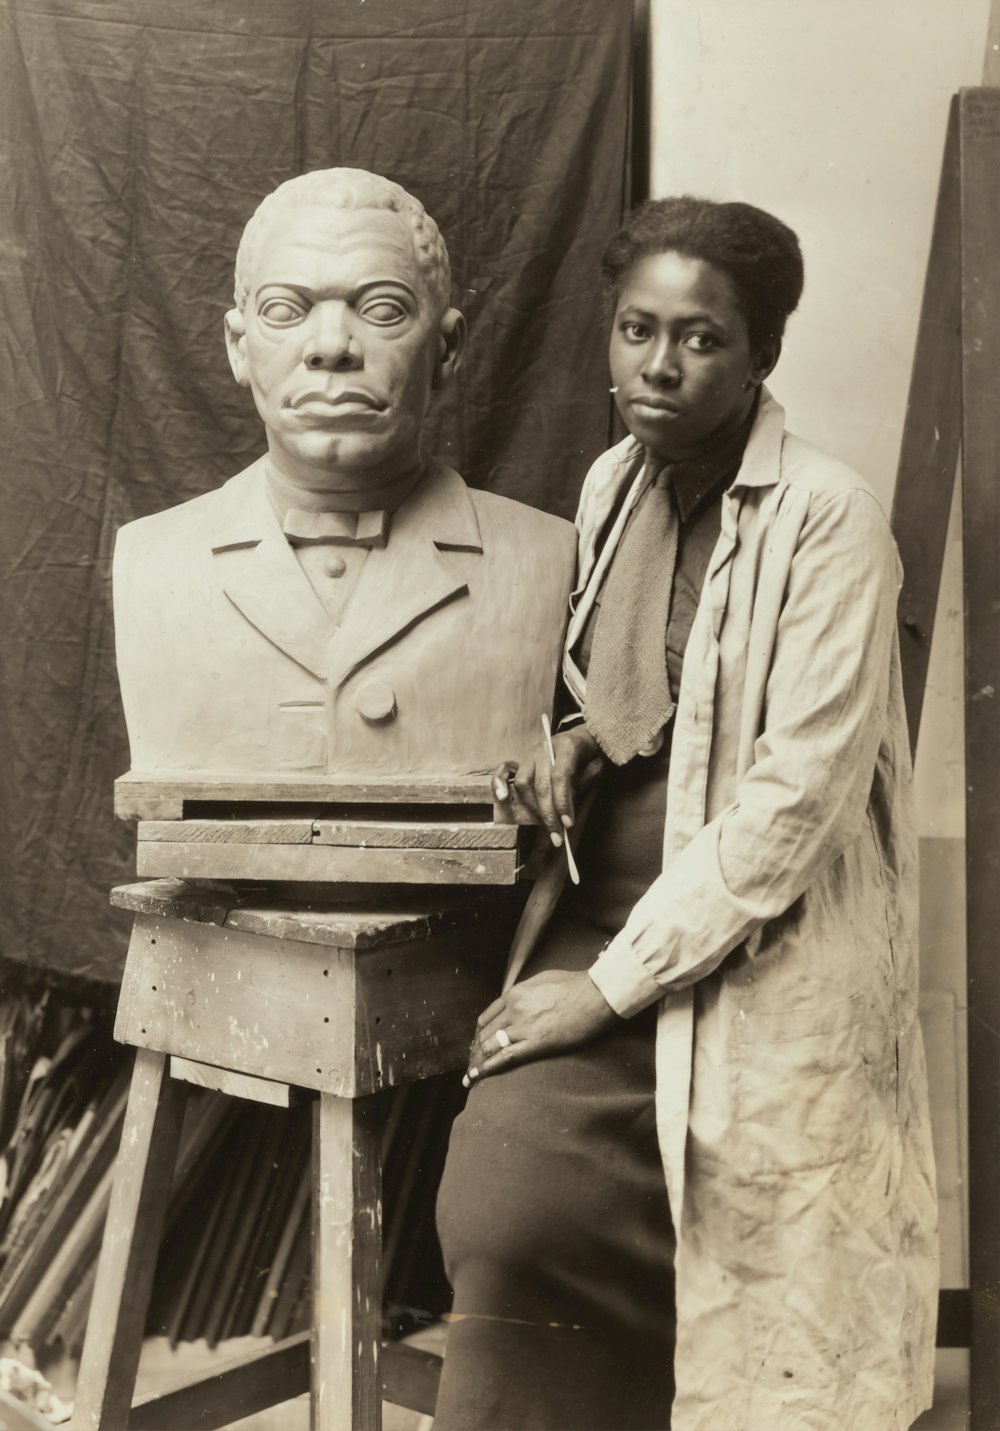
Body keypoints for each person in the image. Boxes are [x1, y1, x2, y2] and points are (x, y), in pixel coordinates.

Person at [434, 196, 938, 1430]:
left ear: (761, 353)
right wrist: (570, 744)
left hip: (759, 954)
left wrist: (602, 991)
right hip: (595, 919)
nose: (658, 367)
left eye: (701, 338)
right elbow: (641, 695)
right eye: (635, 330)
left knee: (747, 1253)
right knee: (500, 1204)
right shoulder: (615, 486)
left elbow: (792, 799)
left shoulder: (829, 521)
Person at [113, 168, 575, 780]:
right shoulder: (153, 558)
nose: (331, 346)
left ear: (447, 349)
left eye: (382, 309)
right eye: (286, 310)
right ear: (237, 347)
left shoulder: (546, 552)